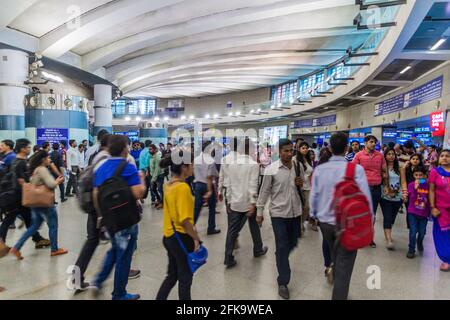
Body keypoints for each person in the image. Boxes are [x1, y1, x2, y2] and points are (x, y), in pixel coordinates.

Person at [310, 132, 372, 300]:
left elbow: (314, 195)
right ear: (346, 149)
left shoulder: (320, 169)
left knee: (334, 252)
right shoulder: (356, 169)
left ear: (330, 147)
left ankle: (333, 269)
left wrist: (313, 215)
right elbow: (366, 198)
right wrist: (369, 222)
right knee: (345, 264)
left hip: (325, 224)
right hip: (348, 224)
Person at [91, 135, 145, 300]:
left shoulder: (101, 167)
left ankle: (98, 281)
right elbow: (138, 192)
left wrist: (101, 216)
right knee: (123, 257)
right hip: (127, 220)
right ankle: (119, 294)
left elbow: (95, 194)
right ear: (124, 149)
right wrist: (141, 179)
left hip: (111, 218)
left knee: (115, 250)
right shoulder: (127, 167)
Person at [256, 139, 302, 300]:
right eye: (286, 151)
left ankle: (280, 255)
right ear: (279, 151)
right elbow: (264, 192)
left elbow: (303, 186)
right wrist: (259, 212)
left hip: (295, 212)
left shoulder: (298, 166)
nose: (290, 154)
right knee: (282, 246)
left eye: (291, 151)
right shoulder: (271, 169)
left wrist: (301, 183)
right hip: (278, 214)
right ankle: (283, 281)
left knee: (293, 242)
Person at [156, 150, 202, 300]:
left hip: (169, 236)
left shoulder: (168, 185)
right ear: (184, 167)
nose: (193, 167)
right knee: (185, 278)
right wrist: (196, 238)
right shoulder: (182, 188)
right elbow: (185, 221)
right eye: (191, 165)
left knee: (172, 275)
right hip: (181, 238)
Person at [10, 150, 68, 259]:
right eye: (48, 158)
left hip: (35, 203)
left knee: (34, 227)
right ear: (43, 159)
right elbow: (51, 184)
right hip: (45, 203)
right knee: (53, 226)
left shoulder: (34, 169)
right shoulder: (42, 169)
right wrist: (58, 181)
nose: (50, 160)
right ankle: (54, 249)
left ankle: (16, 247)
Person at [222, 137, 268, 268]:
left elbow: (228, 184)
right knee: (254, 226)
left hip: (235, 203)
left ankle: (228, 256)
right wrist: (253, 203)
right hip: (248, 203)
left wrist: (229, 201)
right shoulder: (253, 165)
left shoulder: (232, 164)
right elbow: (253, 185)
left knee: (232, 230)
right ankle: (258, 250)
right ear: (250, 149)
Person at [0, 139, 50, 255]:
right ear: (22, 148)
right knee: (13, 219)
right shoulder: (20, 162)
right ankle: (6, 244)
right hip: (18, 196)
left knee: (26, 219)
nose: (29, 149)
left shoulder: (14, 160)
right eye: (28, 147)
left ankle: (37, 239)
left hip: (14, 195)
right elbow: (22, 181)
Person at [353, 135, 386, 248]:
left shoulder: (380, 156)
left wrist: (385, 183)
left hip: (376, 188)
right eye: (371, 142)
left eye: (375, 142)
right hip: (362, 189)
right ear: (365, 143)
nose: (373, 144)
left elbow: (384, 170)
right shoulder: (358, 155)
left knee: (372, 214)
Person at [428, 150, 450, 272]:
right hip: (441, 209)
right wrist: (432, 207)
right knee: (442, 234)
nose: (444, 158)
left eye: (447, 156)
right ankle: (446, 259)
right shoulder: (434, 172)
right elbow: (431, 190)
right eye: (442, 156)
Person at [193, 141, 221, 235]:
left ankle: (191, 226)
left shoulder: (196, 159)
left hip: (197, 185)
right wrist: (209, 190)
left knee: (197, 208)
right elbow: (210, 177)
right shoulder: (211, 161)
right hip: (207, 185)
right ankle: (211, 228)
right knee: (212, 207)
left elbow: (193, 172)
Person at [380, 148, 404, 250]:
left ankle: (388, 232)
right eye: (388, 154)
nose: (391, 156)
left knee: (392, 218)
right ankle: (388, 239)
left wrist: (405, 193)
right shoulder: (381, 168)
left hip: (398, 197)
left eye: (392, 154)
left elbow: (403, 182)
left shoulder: (399, 168)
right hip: (385, 197)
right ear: (385, 156)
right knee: (387, 217)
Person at [406, 167, 430, 259]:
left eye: (421, 175)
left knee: (422, 232)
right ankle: (411, 250)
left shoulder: (427, 185)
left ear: (424, 176)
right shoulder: (411, 185)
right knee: (412, 231)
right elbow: (411, 198)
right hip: (413, 212)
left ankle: (419, 242)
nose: (419, 177)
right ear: (413, 175)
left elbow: (430, 198)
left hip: (424, 213)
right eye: (416, 175)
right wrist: (416, 189)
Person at [293, 141, 316, 232]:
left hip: (308, 187)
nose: (305, 150)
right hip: (298, 187)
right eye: (303, 148)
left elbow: (310, 173)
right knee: (298, 207)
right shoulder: (295, 159)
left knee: (307, 207)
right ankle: (298, 226)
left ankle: (301, 223)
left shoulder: (308, 159)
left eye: (306, 148)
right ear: (299, 149)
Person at [149, 144, 164, 209]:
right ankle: (158, 200)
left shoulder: (157, 157)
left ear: (155, 150)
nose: (150, 150)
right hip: (154, 175)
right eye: (149, 149)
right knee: (153, 189)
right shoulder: (152, 156)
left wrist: (153, 179)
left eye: (151, 149)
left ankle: (162, 203)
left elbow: (157, 169)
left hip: (159, 175)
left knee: (160, 189)